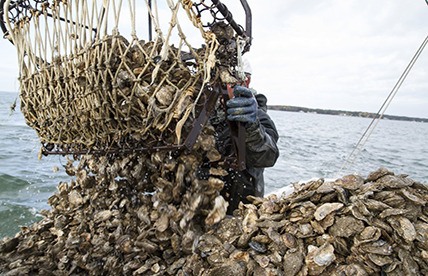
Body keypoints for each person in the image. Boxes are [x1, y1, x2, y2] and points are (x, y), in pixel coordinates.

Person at [208, 69, 280, 214]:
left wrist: (251, 127)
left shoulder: (259, 117)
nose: (220, 84)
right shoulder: (202, 114)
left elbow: (268, 156)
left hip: (240, 208)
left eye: (228, 81)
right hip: (199, 206)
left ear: (245, 82)